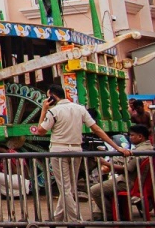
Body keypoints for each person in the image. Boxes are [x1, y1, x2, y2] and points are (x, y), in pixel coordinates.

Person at [36, 83, 130, 223]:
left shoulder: (53, 111)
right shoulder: (80, 109)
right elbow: (97, 129)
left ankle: (75, 220)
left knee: (65, 187)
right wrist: (117, 147)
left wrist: (43, 110)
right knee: (68, 187)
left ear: (52, 97)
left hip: (58, 150)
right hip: (76, 149)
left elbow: (40, 131)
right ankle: (57, 218)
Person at [89, 124, 152, 220]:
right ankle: (101, 214)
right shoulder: (148, 148)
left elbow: (125, 169)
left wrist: (105, 163)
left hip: (128, 182)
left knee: (94, 190)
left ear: (140, 136)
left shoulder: (141, 151)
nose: (130, 137)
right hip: (135, 181)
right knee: (104, 185)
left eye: (132, 135)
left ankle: (110, 216)